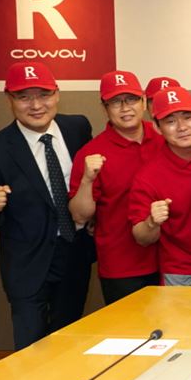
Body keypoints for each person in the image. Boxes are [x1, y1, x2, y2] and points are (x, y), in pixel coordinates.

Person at [0, 62, 94, 349]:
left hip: (74, 255)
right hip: (27, 265)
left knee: (69, 341)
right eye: (24, 97)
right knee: (31, 348)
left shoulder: (77, 128)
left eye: (44, 95)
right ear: (9, 99)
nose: (36, 105)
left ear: (57, 94)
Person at [68, 70, 160, 305]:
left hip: (170, 261)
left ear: (143, 101)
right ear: (104, 108)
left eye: (131, 99)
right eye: (116, 102)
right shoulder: (91, 152)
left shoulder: (164, 138)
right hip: (123, 266)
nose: (125, 108)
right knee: (129, 328)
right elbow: (79, 215)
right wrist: (87, 180)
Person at [129, 87, 191, 286]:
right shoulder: (148, 176)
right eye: (170, 121)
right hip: (179, 266)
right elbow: (141, 237)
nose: (182, 127)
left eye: (188, 117)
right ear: (157, 127)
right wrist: (151, 222)